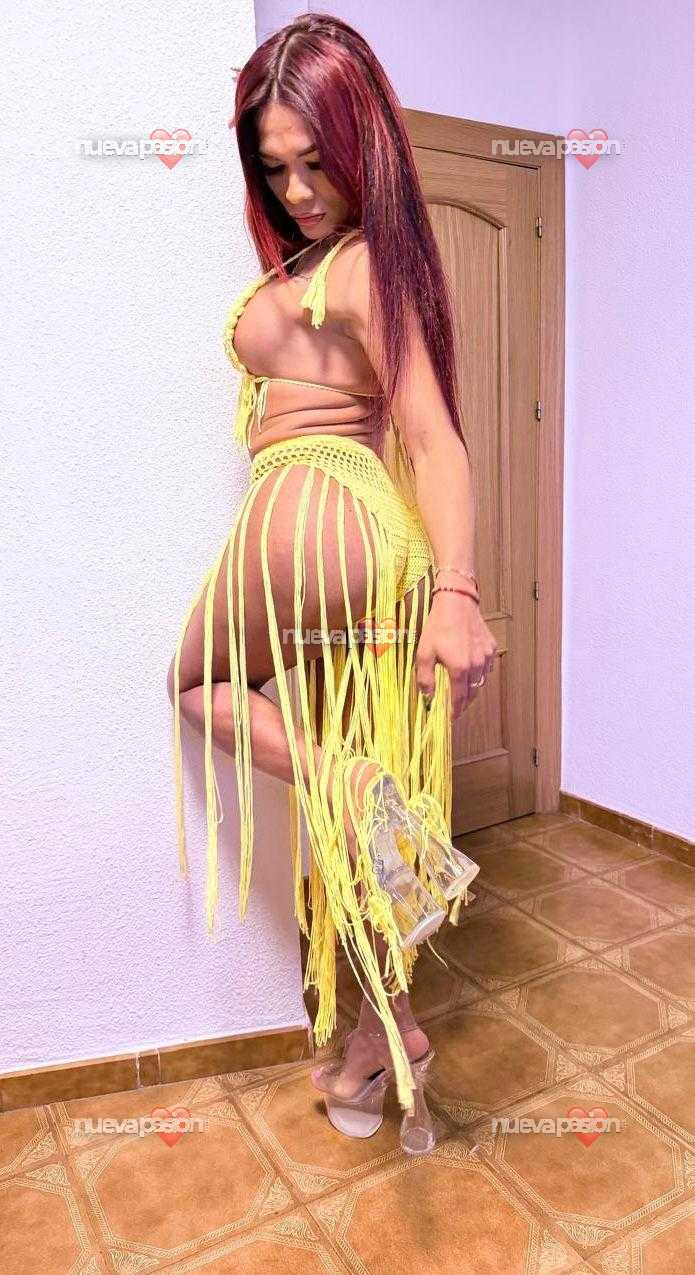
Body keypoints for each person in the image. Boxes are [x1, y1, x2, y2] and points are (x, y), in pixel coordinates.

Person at [167, 13, 497, 1153]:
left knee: (200, 688)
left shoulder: (360, 264)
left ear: (366, 146)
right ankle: (380, 1031)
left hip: (322, 511)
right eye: (276, 168)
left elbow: (433, 436)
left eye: (319, 161)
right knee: (346, 805)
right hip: (357, 543)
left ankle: (353, 790)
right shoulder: (325, 263)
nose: (300, 191)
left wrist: (458, 591)